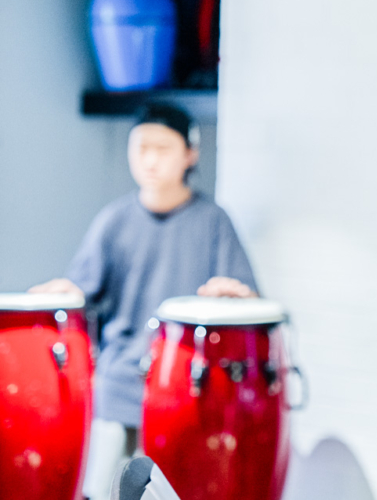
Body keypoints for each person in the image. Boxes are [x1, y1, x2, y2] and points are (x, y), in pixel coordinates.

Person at [29, 103, 258, 500]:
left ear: (190, 153)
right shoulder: (114, 220)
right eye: (141, 148)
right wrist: (63, 292)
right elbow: (80, 290)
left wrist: (235, 296)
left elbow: (246, 298)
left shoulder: (213, 221)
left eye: (163, 148)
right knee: (97, 489)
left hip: (186, 393)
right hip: (117, 385)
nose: (150, 160)